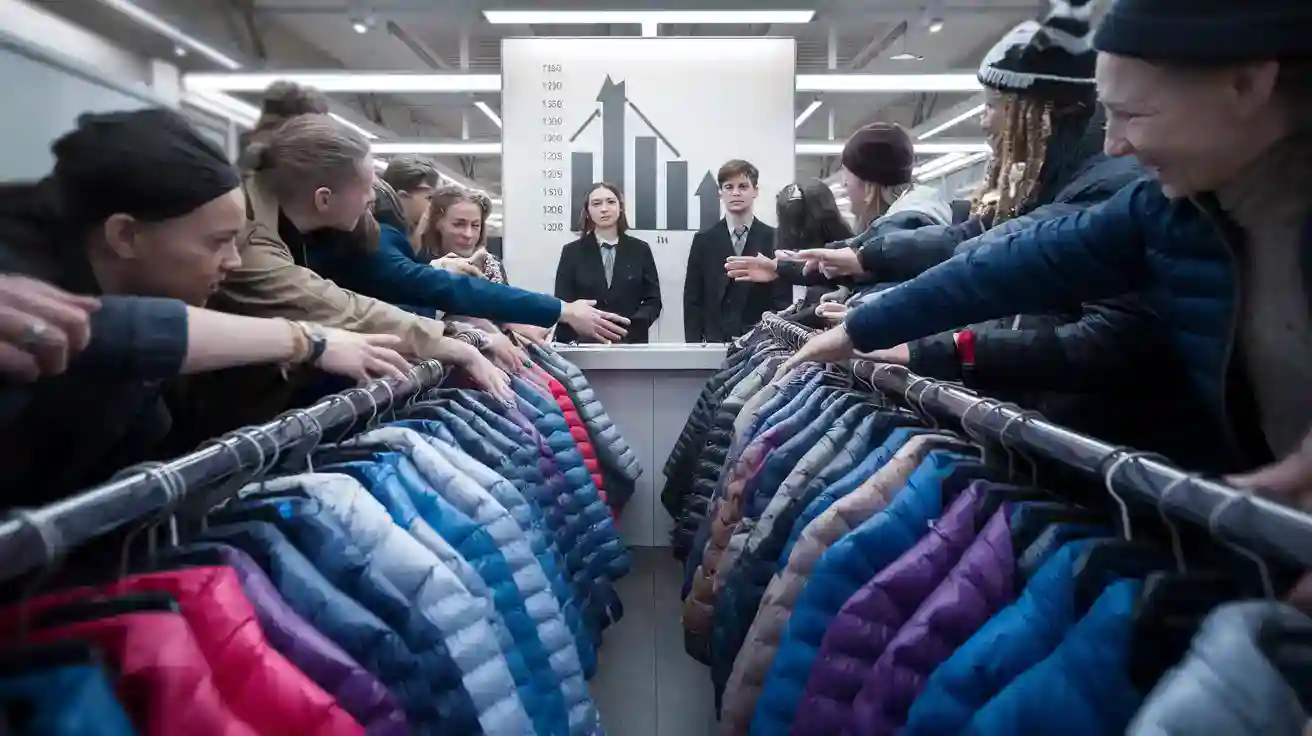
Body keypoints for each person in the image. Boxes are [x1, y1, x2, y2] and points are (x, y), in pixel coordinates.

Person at [784, 0, 1312, 503]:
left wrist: (931, 344)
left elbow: (1084, 325)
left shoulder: (1161, 197)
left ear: (1246, 86)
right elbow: (1011, 263)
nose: (1115, 144)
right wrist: (863, 327)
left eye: (1134, 114)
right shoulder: (1171, 208)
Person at [0, 108, 410, 506]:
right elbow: (117, 330)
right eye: (217, 242)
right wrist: (307, 341)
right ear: (125, 236)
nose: (233, 260)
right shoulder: (22, 289)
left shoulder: (151, 294)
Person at [208, 113, 511, 400]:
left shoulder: (294, 225)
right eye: (366, 187)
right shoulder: (253, 246)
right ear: (324, 199)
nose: (372, 197)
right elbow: (343, 307)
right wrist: (456, 343)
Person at [777, 123, 955, 282]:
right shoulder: (915, 220)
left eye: (847, 175)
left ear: (869, 186)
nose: (844, 183)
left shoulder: (903, 227)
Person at [683, 159, 789, 342]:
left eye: (743, 186)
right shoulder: (704, 241)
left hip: (762, 341)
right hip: (715, 340)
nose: (736, 193)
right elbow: (693, 299)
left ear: (755, 191)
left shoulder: (775, 238)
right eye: (729, 187)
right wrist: (693, 346)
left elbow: (782, 298)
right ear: (720, 193)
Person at [554, 182, 662, 343]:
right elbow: (563, 302)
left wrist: (633, 325)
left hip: (630, 342)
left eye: (610, 202)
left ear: (620, 207)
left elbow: (653, 301)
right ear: (587, 211)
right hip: (584, 344)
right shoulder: (571, 252)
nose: (604, 209)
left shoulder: (640, 249)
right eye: (596, 203)